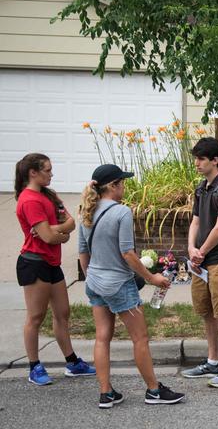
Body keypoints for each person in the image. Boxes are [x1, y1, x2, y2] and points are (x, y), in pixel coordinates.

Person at [78, 164, 185, 408]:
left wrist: (93, 277)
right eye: (122, 183)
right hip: (119, 284)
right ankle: (154, 391)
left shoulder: (86, 211)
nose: (124, 187)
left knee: (102, 338)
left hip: (95, 283)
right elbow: (128, 253)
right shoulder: (121, 212)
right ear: (113, 186)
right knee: (140, 338)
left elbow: (83, 253)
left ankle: (106, 393)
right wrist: (152, 278)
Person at [14, 153, 96, 386]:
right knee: (36, 317)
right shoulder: (29, 200)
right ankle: (34, 367)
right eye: (47, 170)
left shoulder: (49, 195)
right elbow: (50, 238)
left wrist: (55, 230)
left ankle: (72, 363)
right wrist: (56, 233)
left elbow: (71, 222)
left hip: (52, 263)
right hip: (34, 263)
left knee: (63, 313)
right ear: (33, 172)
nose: (52, 174)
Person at [182, 137, 218, 388]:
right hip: (201, 263)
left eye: (201, 158)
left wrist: (201, 252)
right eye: (195, 158)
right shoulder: (201, 188)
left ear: (215, 160)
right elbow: (196, 221)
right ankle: (213, 361)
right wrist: (191, 249)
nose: (196, 163)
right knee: (207, 313)